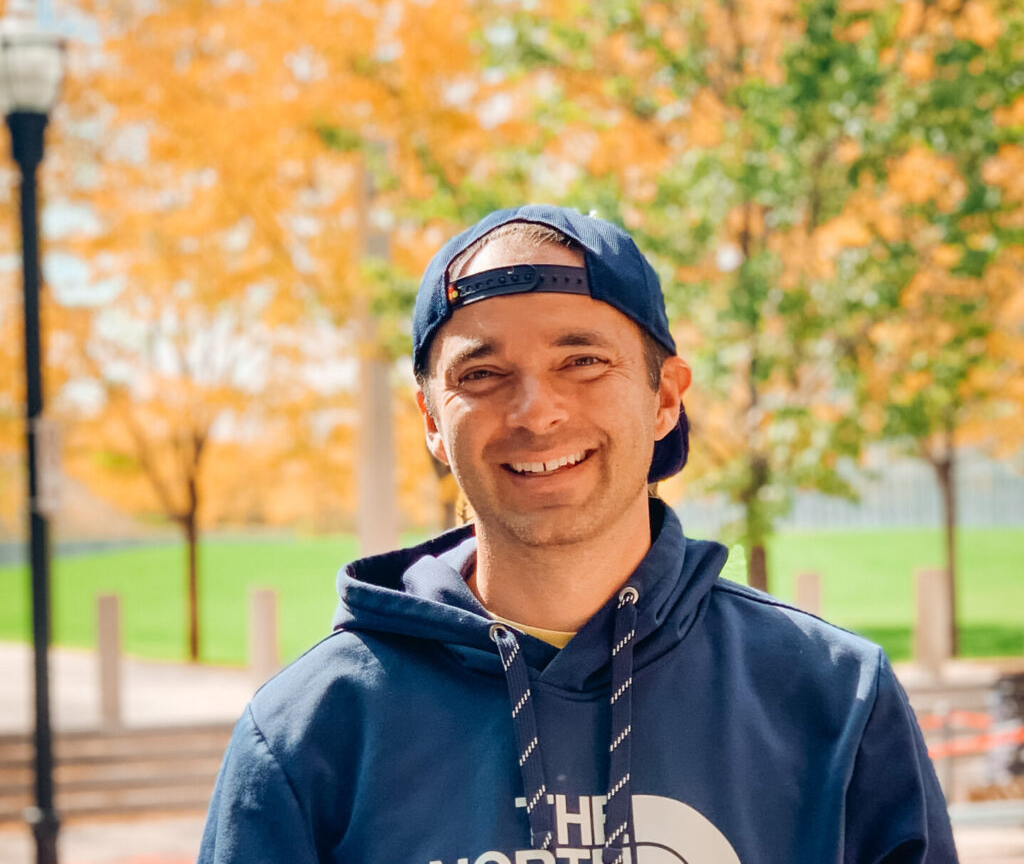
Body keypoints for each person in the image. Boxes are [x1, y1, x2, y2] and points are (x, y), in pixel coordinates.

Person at [199, 205, 958, 863]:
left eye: (582, 361)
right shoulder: (313, 732)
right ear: (432, 421)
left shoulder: (833, 699)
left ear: (664, 397)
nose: (537, 411)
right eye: (482, 374)